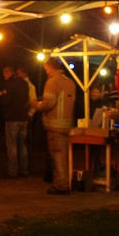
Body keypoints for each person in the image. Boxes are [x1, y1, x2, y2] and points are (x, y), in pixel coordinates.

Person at [31, 57, 76, 195]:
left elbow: (48, 103)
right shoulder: (70, 82)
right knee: (63, 155)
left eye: (46, 69)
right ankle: (64, 181)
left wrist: (37, 105)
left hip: (54, 124)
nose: (46, 72)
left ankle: (61, 184)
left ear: (51, 67)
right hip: (67, 124)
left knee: (56, 156)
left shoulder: (52, 82)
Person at [0, 64, 30, 177]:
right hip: (24, 118)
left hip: (12, 118)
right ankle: (24, 170)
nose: (4, 77)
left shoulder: (10, 84)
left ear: (9, 73)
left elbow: (6, 101)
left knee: (12, 145)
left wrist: (0, 99)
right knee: (23, 145)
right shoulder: (24, 83)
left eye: (4, 74)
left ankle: (12, 171)